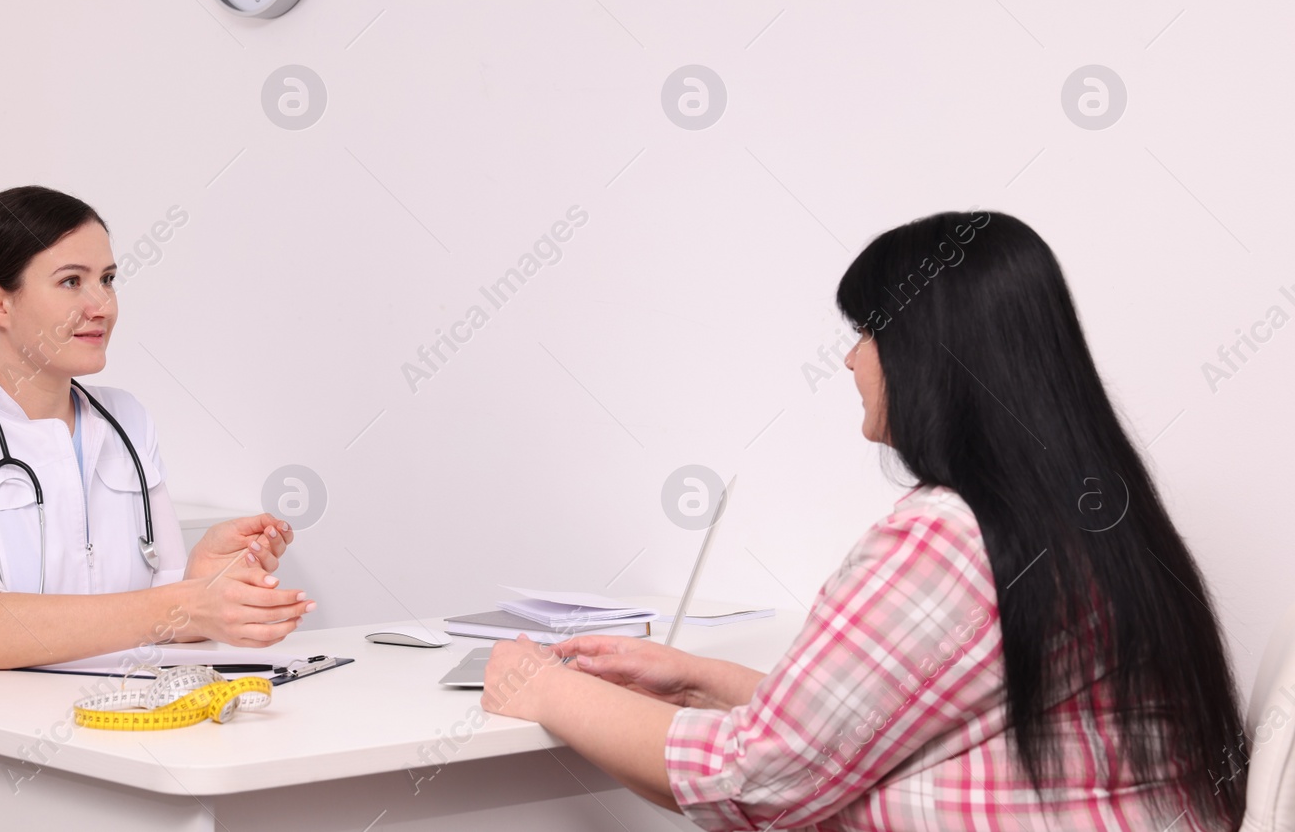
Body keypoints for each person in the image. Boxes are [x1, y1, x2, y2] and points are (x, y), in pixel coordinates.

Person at [482, 209, 1246, 831]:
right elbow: (889, 719)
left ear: (931, 354)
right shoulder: (1092, 515)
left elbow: (759, 777)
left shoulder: (951, 536)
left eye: (869, 331)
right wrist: (699, 679)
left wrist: (541, 686)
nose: (852, 360)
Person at [0, 185, 315, 671]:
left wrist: (200, 581)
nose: (102, 305)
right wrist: (184, 604)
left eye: (108, 279)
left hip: (93, 718)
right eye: (71, 282)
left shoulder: (127, 421)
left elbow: (157, 624)